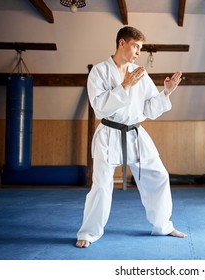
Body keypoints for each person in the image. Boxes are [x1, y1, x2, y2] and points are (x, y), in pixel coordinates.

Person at [76, 26, 186, 248]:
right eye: (135, 46)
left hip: (135, 132)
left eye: (140, 48)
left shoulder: (140, 73)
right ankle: (88, 233)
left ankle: (162, 225)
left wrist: (166, 92)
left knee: (159, 175)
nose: (138, 52)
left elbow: (149, 109)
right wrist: (124, 85)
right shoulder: (99, 71)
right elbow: (99, 107)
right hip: (108, 133)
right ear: (121, 43)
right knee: (101, 186)